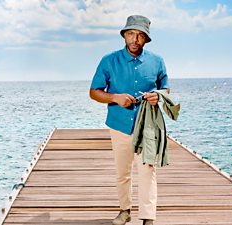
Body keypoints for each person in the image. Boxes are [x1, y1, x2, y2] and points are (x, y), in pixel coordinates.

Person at [89, 15, 169, 225]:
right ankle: (125, 211)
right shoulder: (108, 60)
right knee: (123, 172)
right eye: (131, 33)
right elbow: (93, 92)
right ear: (124, 35)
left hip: (147, 125)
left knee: (147, 171)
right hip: (119, 124)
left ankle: (148, 218)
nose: (135, 39)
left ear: (146, 39)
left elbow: (165, 88)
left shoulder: (157, 61)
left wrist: (158, 96)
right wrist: (115, 97)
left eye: (140, 35)